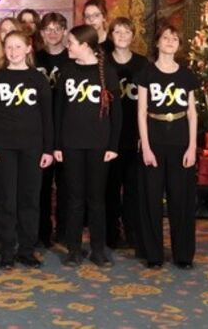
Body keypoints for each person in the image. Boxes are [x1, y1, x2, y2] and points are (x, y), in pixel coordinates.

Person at [0, 31, 54, 269]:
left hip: (32, 148)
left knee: (30, 200)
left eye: (18, 46)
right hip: (3, 149)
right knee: (5, 200)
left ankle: (26, 250)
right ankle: (7, 251)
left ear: (28, 49)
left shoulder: (38, 79)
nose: (13, 52)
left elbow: (47, 117)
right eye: (9, 47)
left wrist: (48, 149)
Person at [54, 24, 121, 268]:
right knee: (74, 198)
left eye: (70, 42)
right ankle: (73, 249)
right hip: (71, 144)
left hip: (99, 145)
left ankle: (98, 249)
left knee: (96, 199)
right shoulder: (67, 70)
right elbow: (59, 109)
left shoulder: (107, 72)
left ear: (85, 45)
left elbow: (117, 114)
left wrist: (113, 145)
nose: (67, 46)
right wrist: (57, 144)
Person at [136, 22, 198, 270]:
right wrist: (147, 148)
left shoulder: (186, 75)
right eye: (166, 38)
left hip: (181, 141)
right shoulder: (146, 73)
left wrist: (192, 147)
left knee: (181, 199)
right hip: (155, 140)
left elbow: (192, 113)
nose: (170, 42)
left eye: (175, 38)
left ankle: (183, 254)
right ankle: (153, 254)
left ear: (179, 45)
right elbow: (141, 113)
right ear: (157, 42)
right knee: (151, 199)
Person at [106, 17, 149, 251]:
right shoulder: (103, 65)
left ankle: (133, 231)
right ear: (111, 35)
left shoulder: (143, 64)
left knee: (133, 188)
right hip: (109, 137)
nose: (122, 35)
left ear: (133, 36)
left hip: (135, 136)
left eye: (126, 31)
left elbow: (150, 103)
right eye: (117, 31)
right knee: (110, 189)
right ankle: (111, 233)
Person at [35, 12, 70, 247]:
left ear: (65, 32)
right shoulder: (33, 60)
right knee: (42, 185)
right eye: (48, 29)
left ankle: (65, 230)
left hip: (68, 130)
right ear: (41, 33)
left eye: (58, 28)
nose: (53, 33)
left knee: (67, 185)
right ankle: (42, 231)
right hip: (39, 131)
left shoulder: (73, 59)